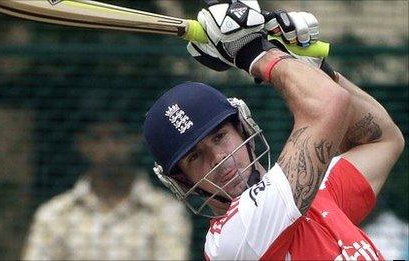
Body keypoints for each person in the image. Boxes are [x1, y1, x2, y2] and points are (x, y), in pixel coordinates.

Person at [143, 1, 404, 260]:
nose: (219, 158)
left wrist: (311, 67)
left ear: (244, 130)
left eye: (220, 137)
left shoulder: (313, 187)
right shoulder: (236, 238)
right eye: (194, 157)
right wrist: (252, 52)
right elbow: (329, 104)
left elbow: (381, 140)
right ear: (183, 180)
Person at [22, 116, 191, 260]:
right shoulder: (54, 214)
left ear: (135, 141)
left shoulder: (166, 212)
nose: (108, 148)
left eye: (117, 137)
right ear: (82, 144)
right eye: (96, 138)